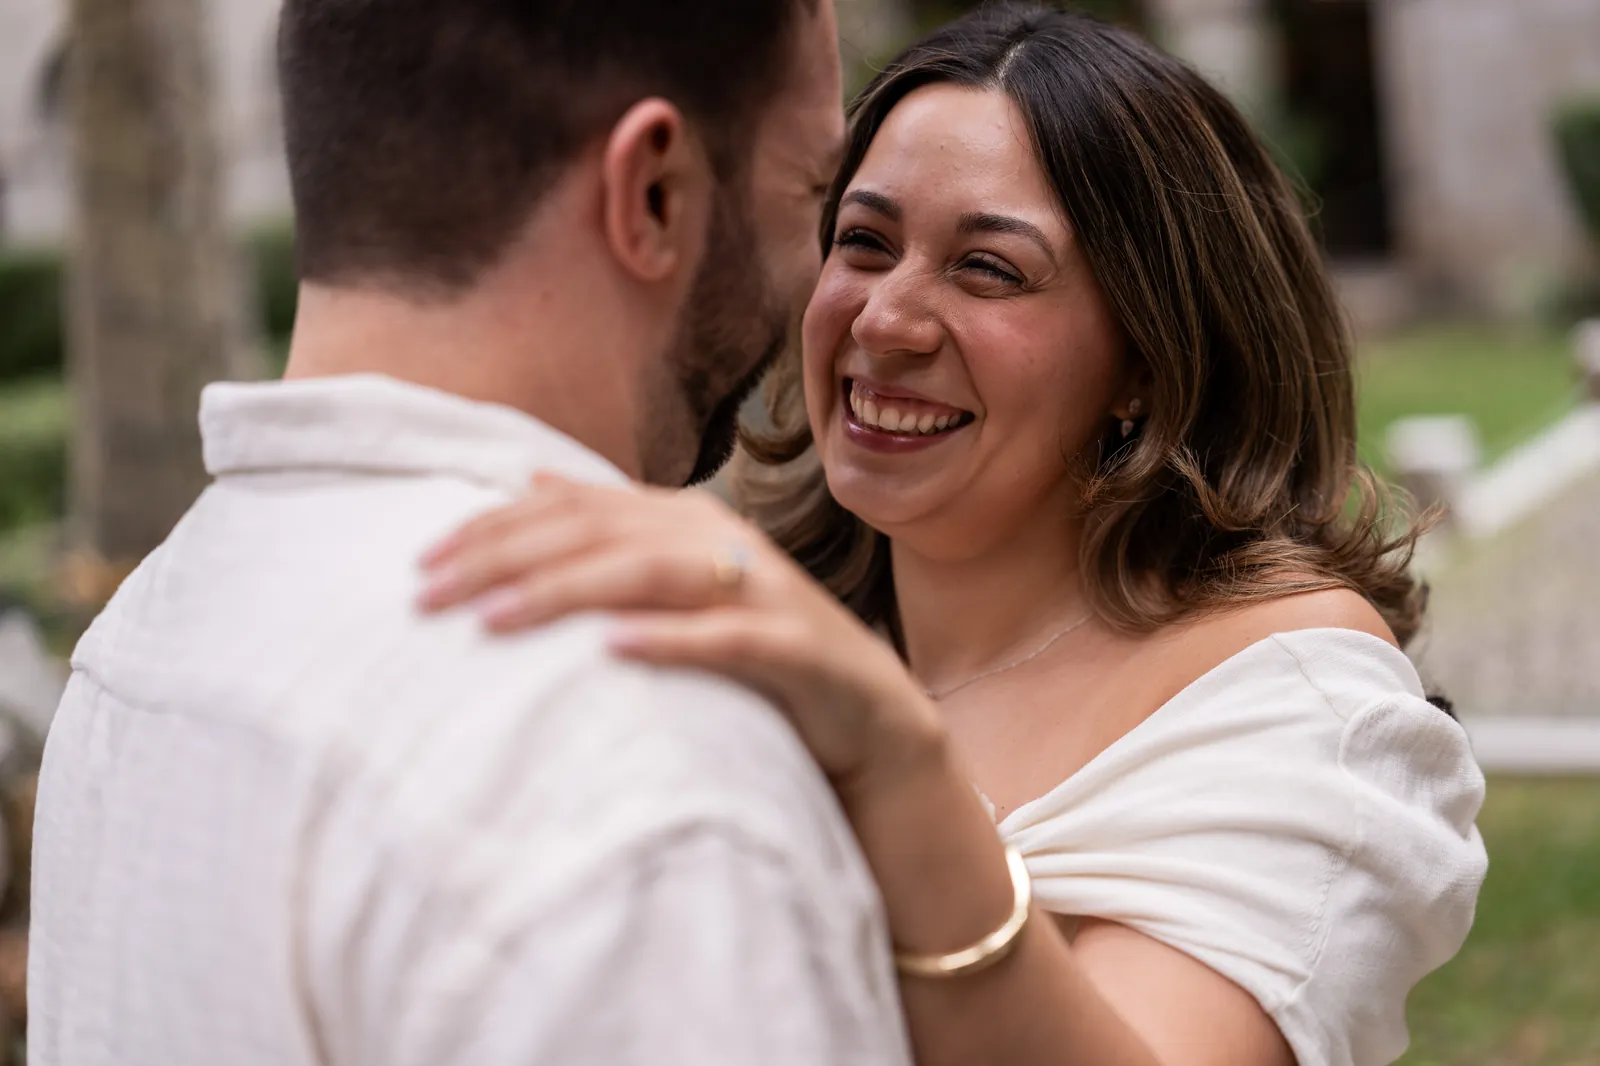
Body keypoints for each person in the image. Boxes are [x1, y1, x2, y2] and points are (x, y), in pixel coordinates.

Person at [418, 6, 1490, 1066]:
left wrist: (894, 761)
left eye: (988, 269)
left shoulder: (1295, 701)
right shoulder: (736, 629)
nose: (884, 319)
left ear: (1147, 365)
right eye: (863, 242)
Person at [29, 2, 915, 1064]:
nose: (820, 278)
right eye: (811, 193)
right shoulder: (634, 761)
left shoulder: (142, 639)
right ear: (654, 191)